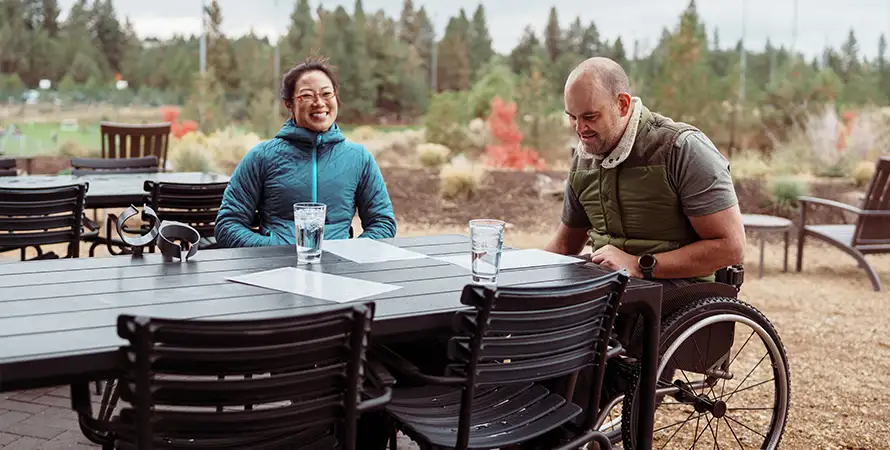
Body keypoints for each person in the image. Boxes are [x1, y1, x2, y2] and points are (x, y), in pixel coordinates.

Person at [544, 56, 745, 290]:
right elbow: (564, 246)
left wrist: (639, 265)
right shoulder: (583, 159)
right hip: (609, 290)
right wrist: (511, 269)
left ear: (622, 105)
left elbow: (731, 247)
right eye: (572, 117)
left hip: (677, 294)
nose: (580, 129)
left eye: (590, 117)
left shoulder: (682, 149)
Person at [215, 56, 397, 248]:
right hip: (276, 272)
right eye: (307, 95)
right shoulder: (262, 157)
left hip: (338, 271)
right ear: (289, 104)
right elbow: (227, 225)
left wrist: (348, 253)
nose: (319, 103)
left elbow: (382, 223)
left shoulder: (359, 158)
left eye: (327, 94)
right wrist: (274, 250)